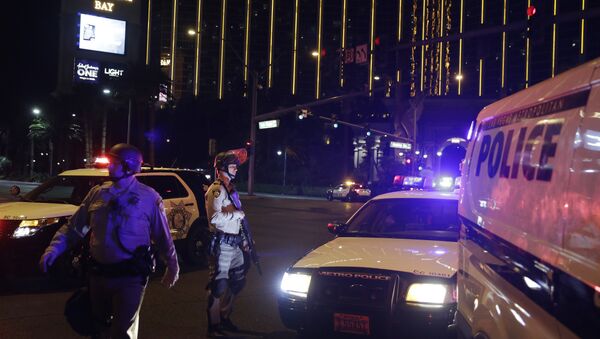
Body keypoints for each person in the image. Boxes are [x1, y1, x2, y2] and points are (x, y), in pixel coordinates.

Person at [39, 143, 179, 339]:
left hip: (130, 277)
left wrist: (172, 266)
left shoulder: (149, 198)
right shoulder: (97, 194)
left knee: (121, 331)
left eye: (113, 163)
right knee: (98, 328)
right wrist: (53, 250)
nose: (109, 167)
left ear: (129, 166)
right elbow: (74, 228)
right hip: (99, 275)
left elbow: (163, 236)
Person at [205, 149, 249, 337]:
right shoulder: (216, 190)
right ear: (222, 168)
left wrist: (246, 239)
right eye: (233, 166)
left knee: (238, 279)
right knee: (218, 285)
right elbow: (214, 218)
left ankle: (225, 316)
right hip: (222, 243)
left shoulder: (231, 189)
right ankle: (213, 325)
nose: (236, 169)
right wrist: (236, 214)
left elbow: (239, 222)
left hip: (235, 242)